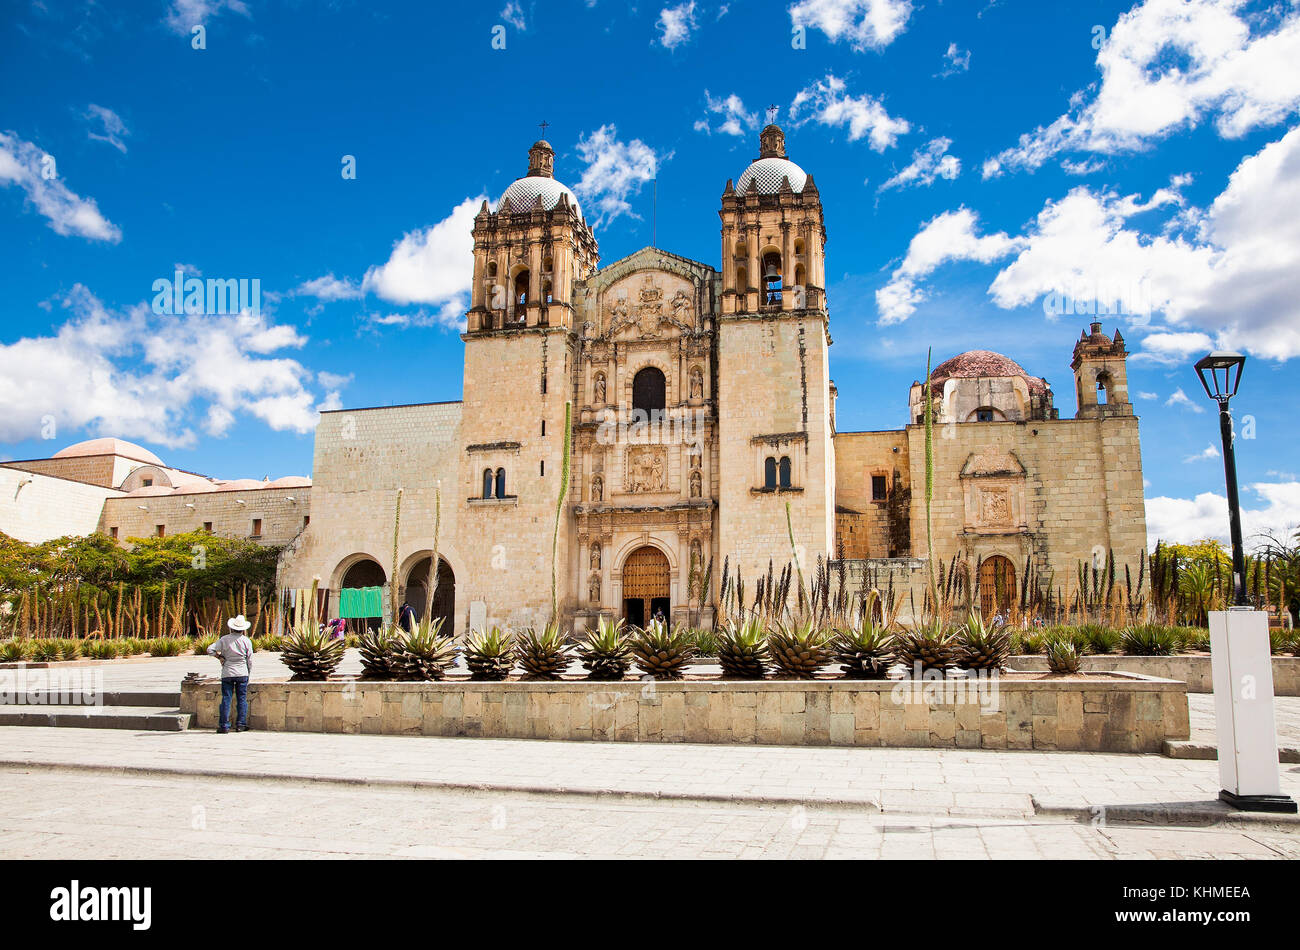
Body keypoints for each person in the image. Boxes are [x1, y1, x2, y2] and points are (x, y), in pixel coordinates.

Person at [207, 614, 254, 734]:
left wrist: (219, 657)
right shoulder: (246, 641)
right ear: (243, 629)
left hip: (227, 672)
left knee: (226, 699)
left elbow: (210, 649)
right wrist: (248, 672)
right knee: (242, 699)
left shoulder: (224, 639)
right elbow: (249, 660)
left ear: (232, 628)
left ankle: (224, 726)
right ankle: (241, 725)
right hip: (242, 672)